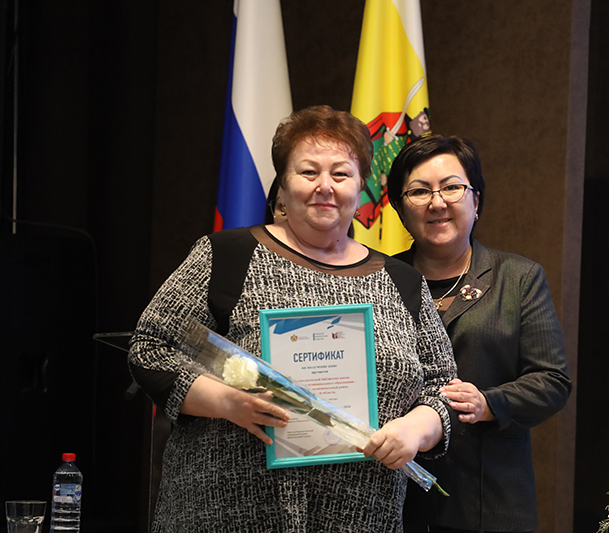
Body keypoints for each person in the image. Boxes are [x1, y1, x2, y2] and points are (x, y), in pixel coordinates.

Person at [128, 106, 457, 533]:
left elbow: (442, 387)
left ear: (361, 187)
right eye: (308, 172)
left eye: (341, 174)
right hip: (224, 512)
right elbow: (150, 348)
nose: (325, 186)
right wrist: (228, 402)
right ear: (282, 186)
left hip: (359, 516)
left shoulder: (403, 280)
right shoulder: (226, 256)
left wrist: (415, 429)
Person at [387, 135, 573, 533]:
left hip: (489, 499)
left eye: (452, 187)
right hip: (396, 498)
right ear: (400, 209)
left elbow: (552, 381)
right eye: (419, 191)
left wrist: (489, 403)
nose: (437, 202)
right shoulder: (380, 280)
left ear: (477, 201)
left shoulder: (518, 278)